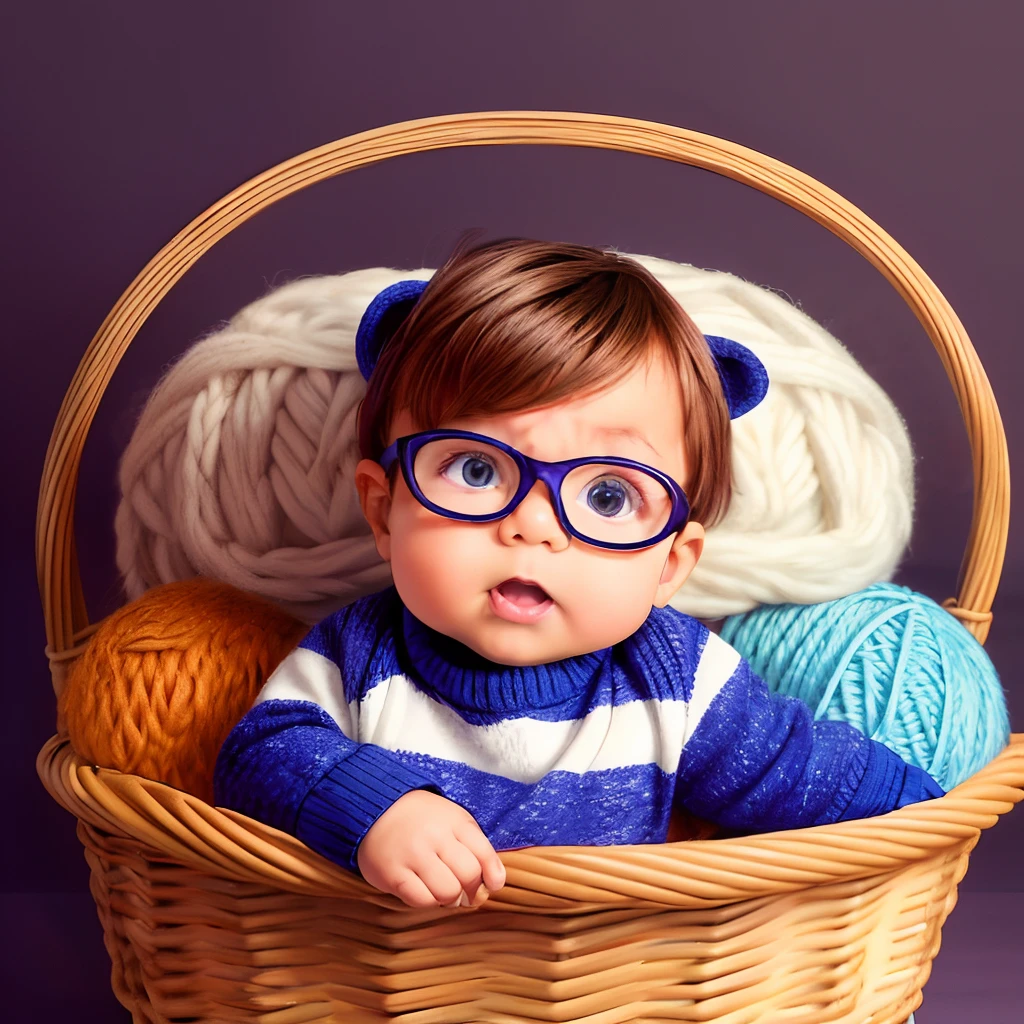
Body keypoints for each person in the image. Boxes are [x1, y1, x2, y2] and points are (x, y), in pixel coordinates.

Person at [214, 237, 943, 910]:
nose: (533, 525)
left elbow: (803, 771)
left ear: (670, 565)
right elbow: (262, 752)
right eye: (476, 470)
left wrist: (937, 813)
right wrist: (374, 806)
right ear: (384, 510)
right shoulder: (363, 652)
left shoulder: (675, 679)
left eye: (606, 495)